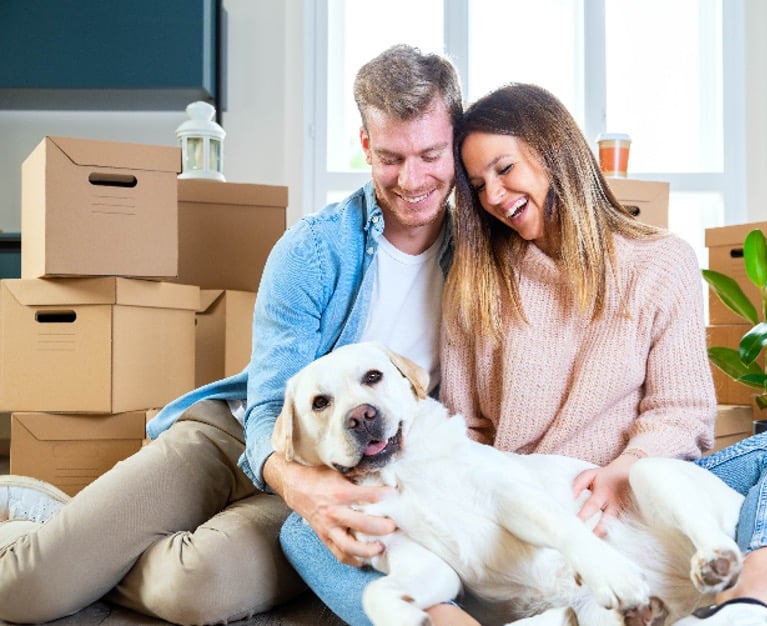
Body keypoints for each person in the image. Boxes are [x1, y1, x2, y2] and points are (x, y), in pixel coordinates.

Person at [284, 83, 767, 626]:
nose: (496, 197)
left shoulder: (662, 261)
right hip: (522, 505)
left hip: (638, 488)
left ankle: (751, 607)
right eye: (478, 186)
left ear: (554, 149)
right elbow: (473, 431)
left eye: (504, 170)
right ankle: (450, 618)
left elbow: (680, 410)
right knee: (302, 531)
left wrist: (621, 472)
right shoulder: (479, 282)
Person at [0, 44, 463, 625]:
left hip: (344, 468)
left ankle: (86, 544)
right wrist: (300, 489)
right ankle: (49, 529)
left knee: (192, 589)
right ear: (366, 146)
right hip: (238, 436)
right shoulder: (313, 251)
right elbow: (270, 406)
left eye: (430, 154)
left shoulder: (480, 263)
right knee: (26, 591)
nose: (413, 179)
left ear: (455, 144)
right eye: (392, 158)